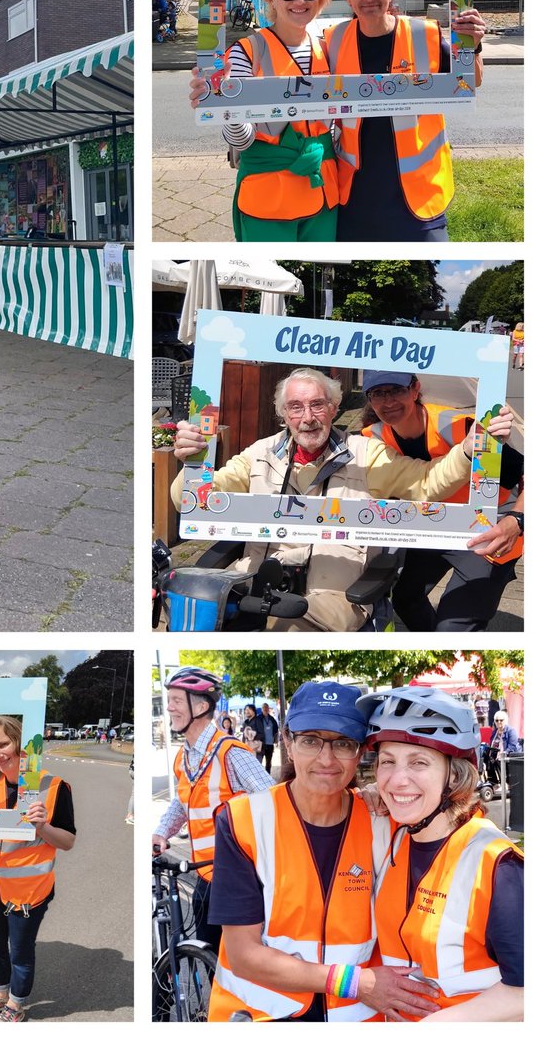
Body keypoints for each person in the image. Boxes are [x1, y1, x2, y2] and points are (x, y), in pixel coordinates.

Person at [171, 366, 514, 631]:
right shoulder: (260, 453)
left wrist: (469, 450)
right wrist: (192, 465)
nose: (307, 418)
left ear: (334, 408)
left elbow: (426, 483)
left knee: (282, 631)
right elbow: (194, 501)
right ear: (283, 415)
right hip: (255, 581)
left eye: (317, 405)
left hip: (333, 594)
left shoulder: (366, 453)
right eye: (295, 407)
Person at [207, 682, 439, 1022]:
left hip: (356, 1017)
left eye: (343, 743)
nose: (326, 759)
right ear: (288, 741)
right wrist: (355, 982)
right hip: (264, 1014)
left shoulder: (382, 819)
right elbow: (243, 955)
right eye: (310, 740)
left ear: (360, 752)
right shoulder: (243, 821)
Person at [358, 686, 523, 1020]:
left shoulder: (497, 864)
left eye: (418, 762)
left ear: (454, 775)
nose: (397, 779)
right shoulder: (396, 836)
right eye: (387, 762)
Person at [326, 0, 488, 242]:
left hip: (419, 195)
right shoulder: (332, 40)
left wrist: (472, 47)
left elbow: (470, 82)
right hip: (354, 194)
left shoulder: (424, 34)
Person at [357, 369, 523, 630]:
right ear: (369, 398)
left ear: (415, 389)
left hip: (490, 530)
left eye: (397, 390)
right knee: (405, 598)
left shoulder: (460, 427)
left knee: (454, 623)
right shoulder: (371, 438)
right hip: (435, 527)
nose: (388, 402)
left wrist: (517, 520)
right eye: (378, 393)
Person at [189, 0, 340, 242]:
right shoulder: (245, 53)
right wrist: (227, 110)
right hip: (269, 194)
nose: (299, 0)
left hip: (323, 189)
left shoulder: (329, 48)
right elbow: (242, 141)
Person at [152, 668, 273, 956]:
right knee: (209, 960)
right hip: (204, 876)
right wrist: (161, 832)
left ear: (201, 706)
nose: (169, 707)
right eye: (169, 700)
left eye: (176, 700)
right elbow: (183, 802)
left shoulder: (230, 752)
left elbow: (272, 800)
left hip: (238, 880)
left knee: (241, 967)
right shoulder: (184, 755)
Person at [0, 715, 76, 1022]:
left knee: (20, 952)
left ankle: (15, 1004)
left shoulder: (53, 787)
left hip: (29, 889)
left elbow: (67, 841)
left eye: (3, 744)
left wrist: (42, 826)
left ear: (18, 742)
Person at [252, 703, 280, 774]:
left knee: (268, 762)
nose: (265, 709)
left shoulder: (272, 719)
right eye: (264, 707)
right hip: (261, 744)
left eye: (267, 707)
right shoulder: (258, 718)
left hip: (270, 744)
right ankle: (259, 777)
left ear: (268, 709)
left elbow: (276, 730)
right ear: (262, 709)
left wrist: (276, 740)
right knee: (259, 762)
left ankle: (268, 776)